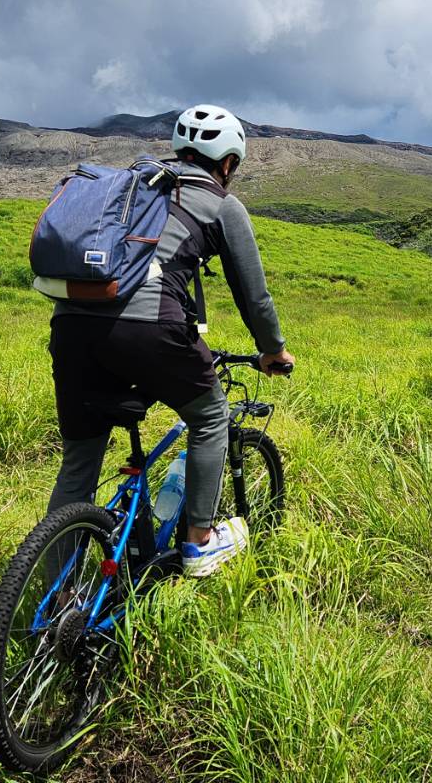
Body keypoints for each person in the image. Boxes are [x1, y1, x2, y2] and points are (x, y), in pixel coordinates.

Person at [46, 104, 294, 578]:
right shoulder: (222, 203)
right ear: (227, 163)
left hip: (72, 328)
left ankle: (53, 595)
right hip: (150, 327)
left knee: (79, 465)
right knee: (210, 415)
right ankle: (199, 543)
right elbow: (254, 296)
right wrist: (272, 350)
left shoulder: (133, 186)